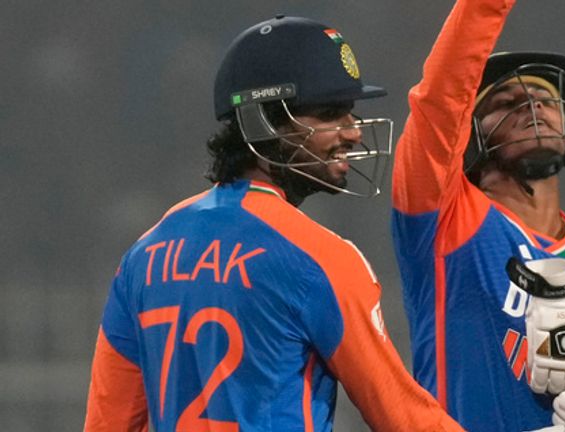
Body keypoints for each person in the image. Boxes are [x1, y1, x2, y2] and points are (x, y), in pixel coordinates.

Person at [84, 15, 464, 432]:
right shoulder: (319, 259)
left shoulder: (143, 255)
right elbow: (403, 417)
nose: (353, 132)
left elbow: (108, 423)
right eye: (330, 113)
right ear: (260, 122)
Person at [391, 0, 565, 431]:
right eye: (507, 100)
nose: (532, 106)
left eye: (544, 98)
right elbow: (439, 100)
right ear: (470, 134)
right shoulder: (447, 220)